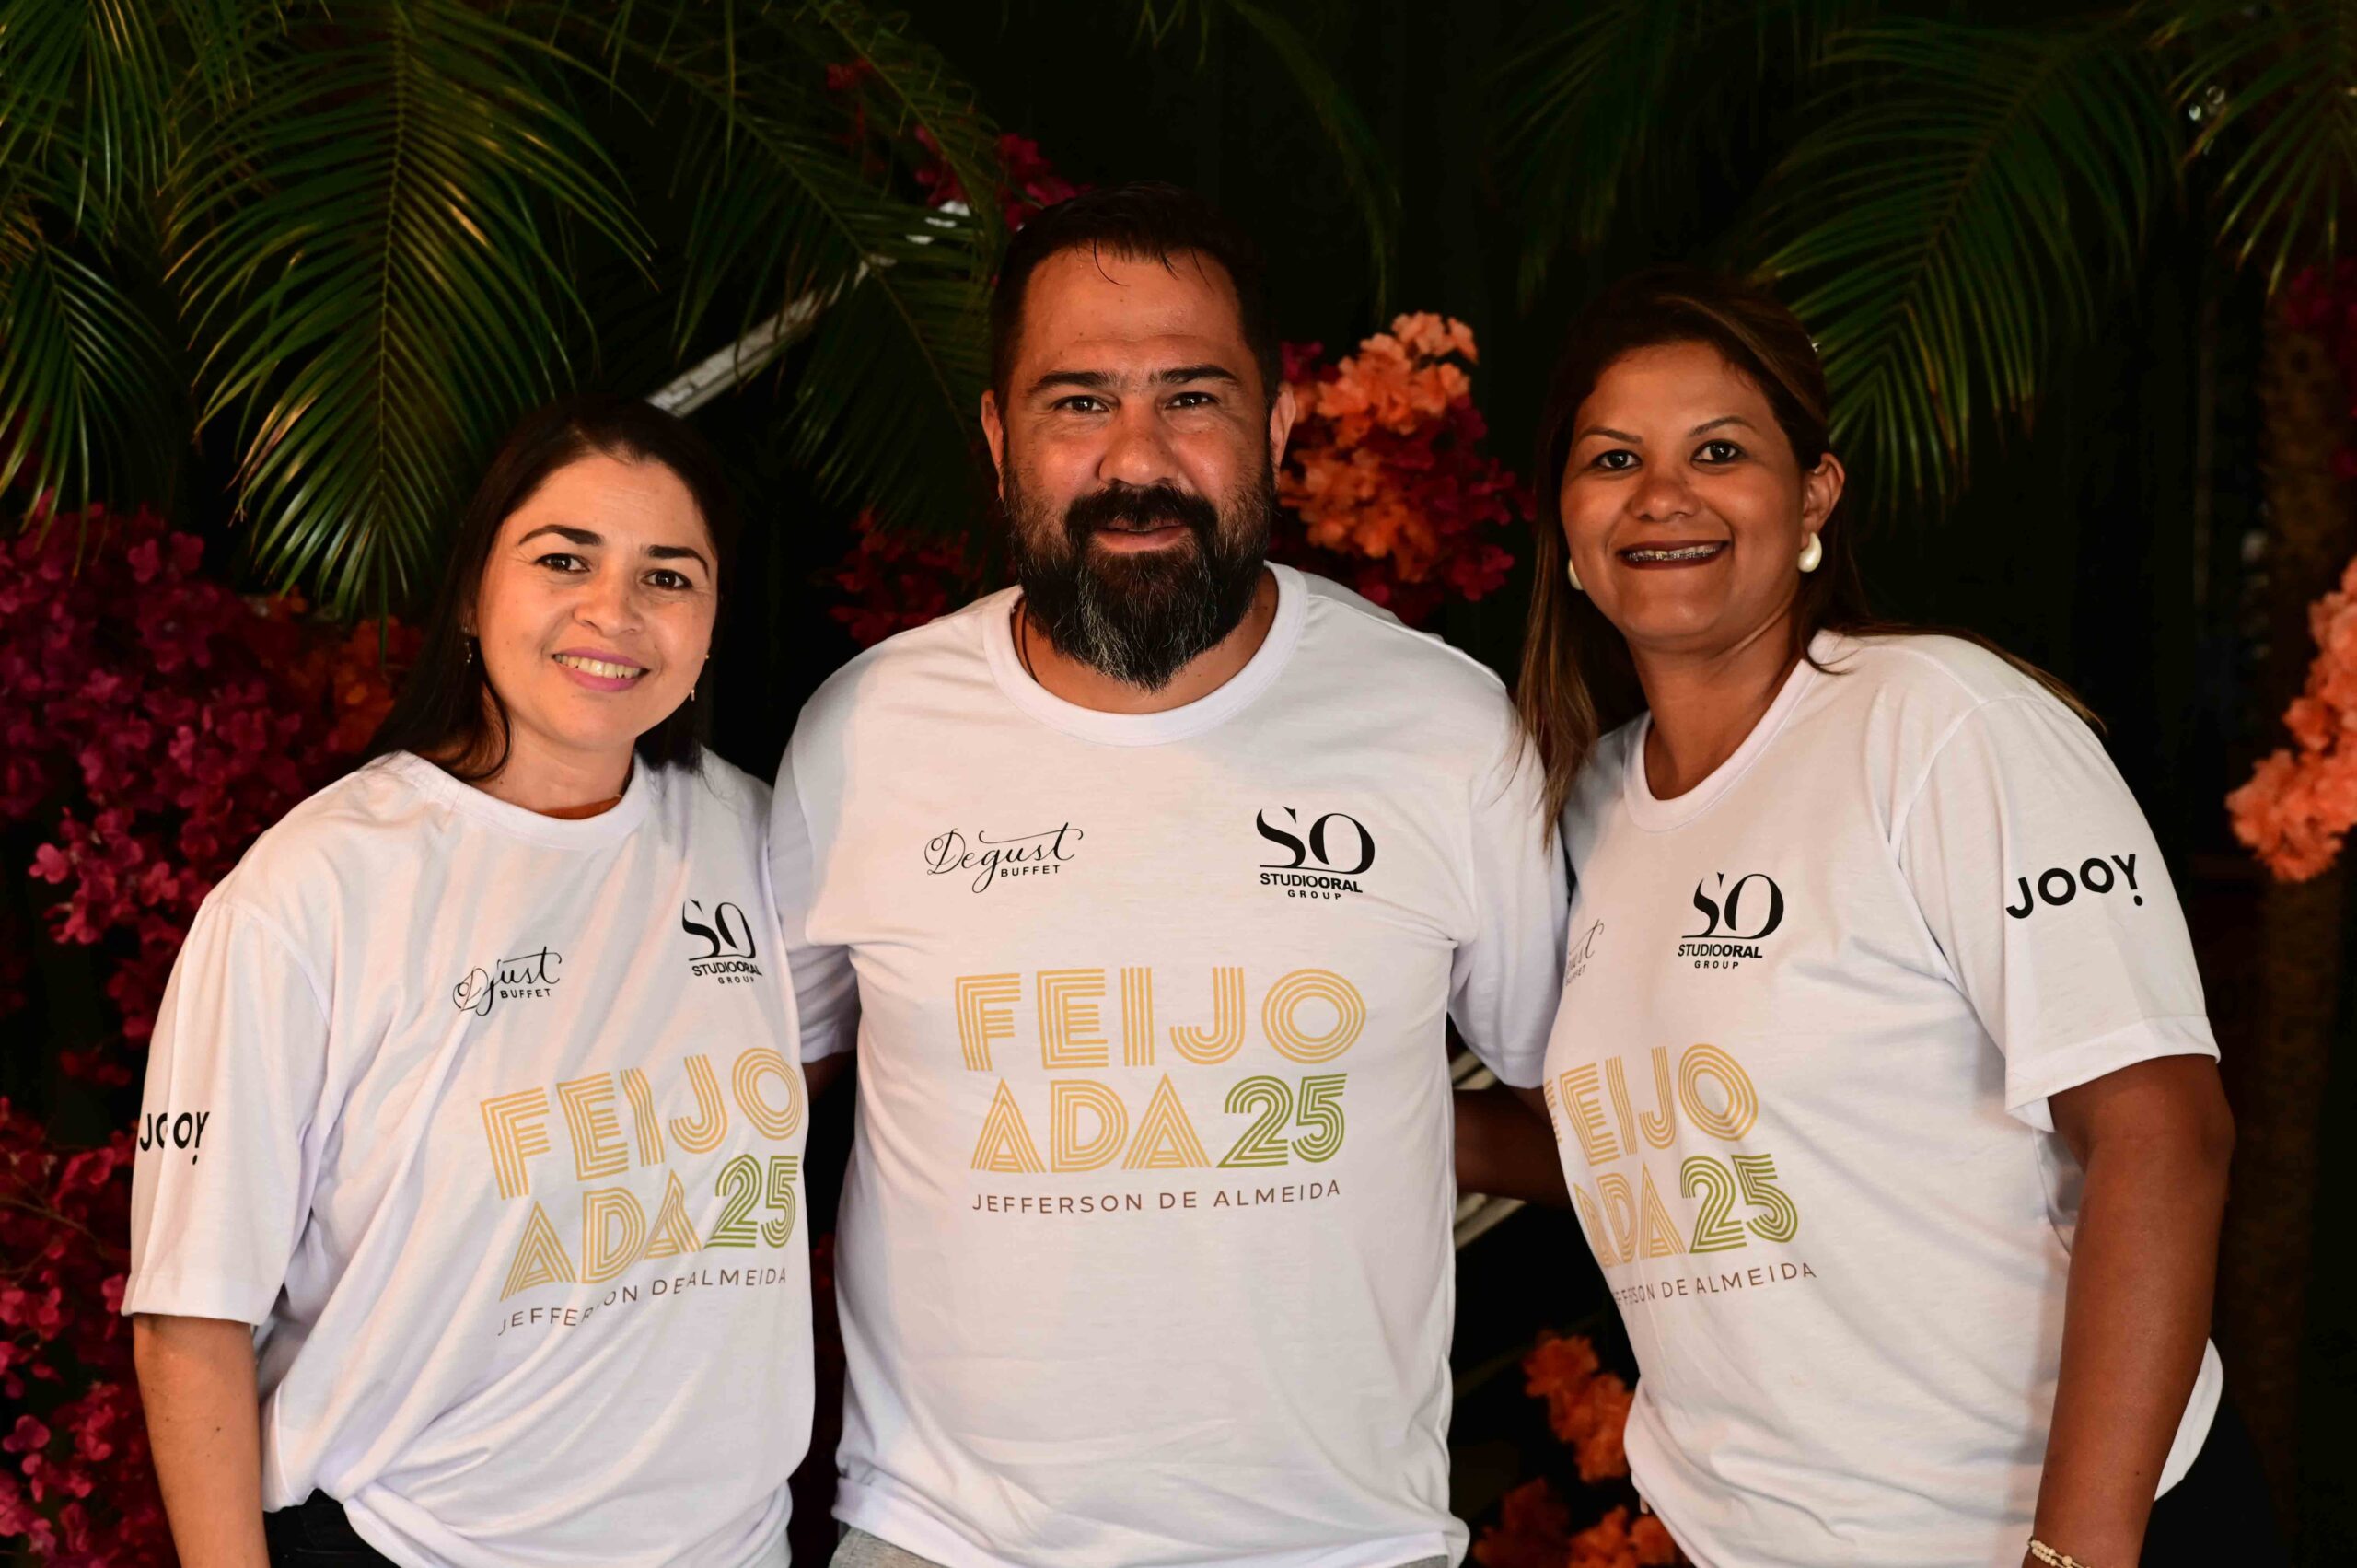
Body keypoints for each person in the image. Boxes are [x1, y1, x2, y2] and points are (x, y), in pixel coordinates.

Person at [772, 183, 1568, 1568]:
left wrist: (1349, 1108)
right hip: (944, 1541)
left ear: (1276, 426)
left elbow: (1585, 1110)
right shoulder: (868, 730)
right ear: (998, 439)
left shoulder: (1440, 727)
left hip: (1340, 1548)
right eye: (1078, 401)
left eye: (1191, 397)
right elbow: (747, 1098)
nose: (1135, 456)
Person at [1518, 267, 2264, 1567]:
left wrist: (2072, 1556)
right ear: (1568, 522)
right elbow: (1662, 1136)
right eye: (1613, 458)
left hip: (2061, 1532)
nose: (1662, 494)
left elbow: (2162, 1130)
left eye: (1719, 451)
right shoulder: (1586, 804)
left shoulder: (1936, 722)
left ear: (1814, 493)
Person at [126, 396, 814, 1568]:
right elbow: (190, 1316)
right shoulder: (313, 890)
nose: (613, 611)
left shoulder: (752, 837)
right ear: (469, 590)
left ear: (711, 621)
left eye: (667, 575)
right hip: (409, 1541)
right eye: (563, 559)